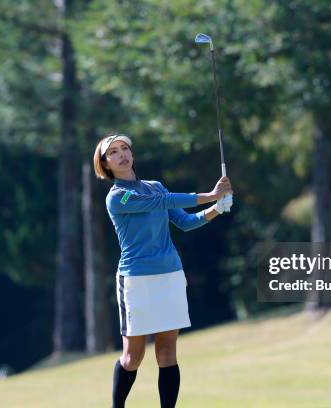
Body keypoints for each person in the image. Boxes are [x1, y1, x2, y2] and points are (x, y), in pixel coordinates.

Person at [93, 134, 233, 408]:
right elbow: (161, 203)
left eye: (125, 149)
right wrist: (210, 195)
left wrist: (217, 208)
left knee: (167, 351)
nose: (121, 154)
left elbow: (185, 222)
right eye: (113, 152)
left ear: (132, 155)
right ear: (106, 164)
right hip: (136, 280)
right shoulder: (117, 198)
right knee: (133, 357)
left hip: (170, 275)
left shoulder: (156, 187)